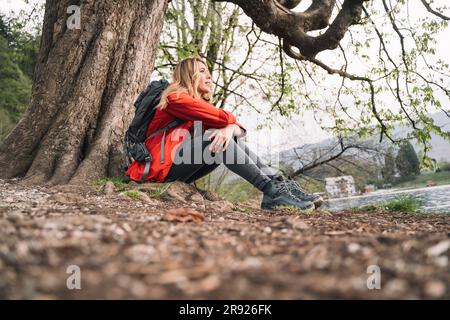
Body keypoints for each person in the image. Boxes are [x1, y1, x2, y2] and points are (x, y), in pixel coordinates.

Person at [126, 55, 322, 210]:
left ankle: (279, 185)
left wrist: (228, 129)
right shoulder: (176, 98)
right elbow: (225, 118)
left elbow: (237, 129)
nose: (209, 76)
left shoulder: (193, 106)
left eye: (209, 71)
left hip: (173, 166)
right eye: (202, 71)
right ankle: (271, 191)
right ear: (189, 75)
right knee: (218, 138)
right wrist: (228, 128)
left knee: (224, 137)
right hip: (156, 169)